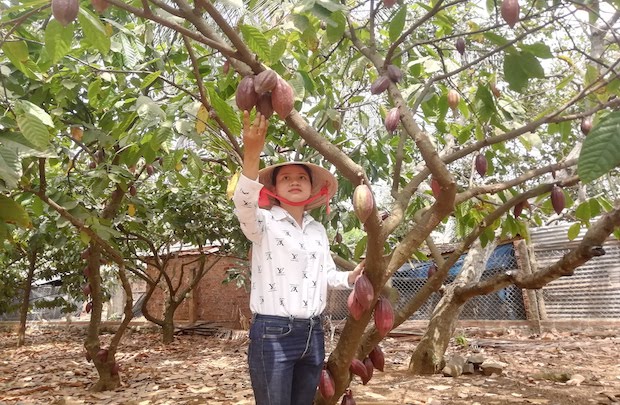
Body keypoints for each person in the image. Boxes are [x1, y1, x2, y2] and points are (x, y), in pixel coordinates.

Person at [232, 111, 363, 405]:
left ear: (311, 188)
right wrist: (251, 154)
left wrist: (351, 278)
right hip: (273, 333)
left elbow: (328, 275)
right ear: (274, 189)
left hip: (313, 334)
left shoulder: (317, 230)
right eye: (286, 178)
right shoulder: (263, 223)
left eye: (302, 177)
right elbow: (243, 203)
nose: (295, 181)